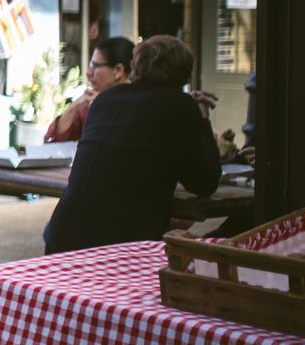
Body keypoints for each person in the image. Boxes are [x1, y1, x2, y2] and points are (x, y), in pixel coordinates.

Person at [44, 35, 221, 254]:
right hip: (121, 246)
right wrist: (202, 117)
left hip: (61, 236)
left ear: (135, 65)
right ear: (185, 73)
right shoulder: (180, 106)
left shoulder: (105, 100)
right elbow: (205, 182)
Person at [44, 36, 134, 142]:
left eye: (95, 66)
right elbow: (54, 141)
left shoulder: (138, 108)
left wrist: (103, 107)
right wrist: (74, 106)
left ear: (118, 71)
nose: (88, 73)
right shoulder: (88, 104)